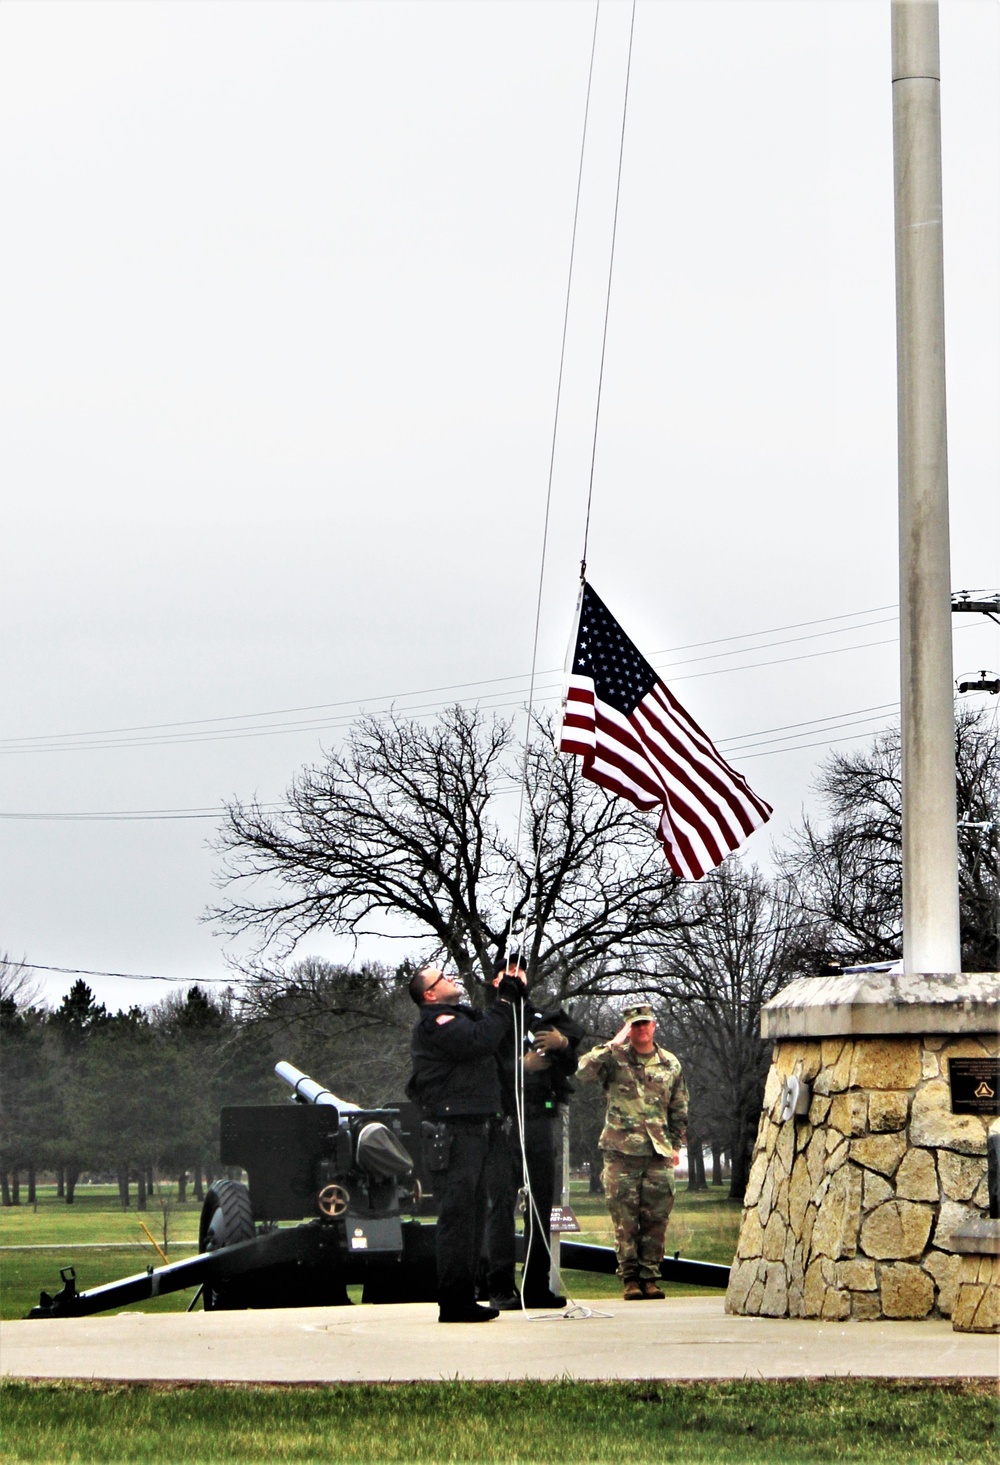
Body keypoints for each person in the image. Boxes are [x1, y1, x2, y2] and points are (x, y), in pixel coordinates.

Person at [406, 962, 526, 1322]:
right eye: (442, 978)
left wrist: (507, 994)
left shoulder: (460, 1016)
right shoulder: (435, 1022)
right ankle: (453, 1302)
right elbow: (480, 1039)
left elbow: (494, 1032)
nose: (451, 978)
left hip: (476, 1128)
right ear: (429, 994)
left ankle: (465, 1296)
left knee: (473, 1215)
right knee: (458, 1217)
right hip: (455, 1132)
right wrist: (503, 1001)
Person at [483, 953, 583, 1310]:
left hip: (540, 1119)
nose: (517, 976)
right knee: (501, 1206)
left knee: (541, 1205)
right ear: (497, 981)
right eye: (510, 971)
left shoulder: (541, 1019)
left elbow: (568, 1065)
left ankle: (535, 1285)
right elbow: (481, 1067)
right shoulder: (490, 1023)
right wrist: (519, 1066)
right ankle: (498, 1286)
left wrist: (564, 1046)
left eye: (522, 971)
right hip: (504, 1122)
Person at [576, 1002, 688, 1300]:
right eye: (635, 1024)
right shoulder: (614, 1059)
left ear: (654, 1025)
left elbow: (678, 1106)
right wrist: (613, 1043)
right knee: (625, 1220)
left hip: (657, 1152)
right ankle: (629, 1279)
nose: (641, 1029)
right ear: (628, 1027)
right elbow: (584, 1071)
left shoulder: (669, 1063)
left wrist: (676, 1145)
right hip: (621, 1151)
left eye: (645, 1023)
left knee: (656, 1219)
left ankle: (650, 1278)